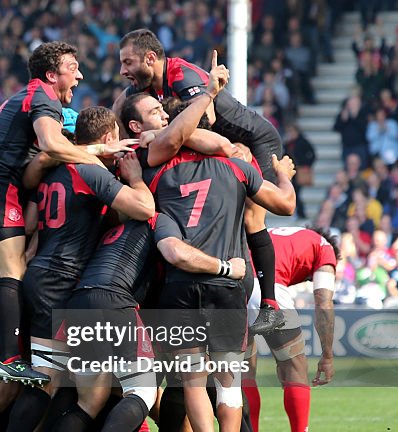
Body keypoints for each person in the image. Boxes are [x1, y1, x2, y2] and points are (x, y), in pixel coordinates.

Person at [117, 79, 297, 432]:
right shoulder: (236, 163)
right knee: (228, 377)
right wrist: (283, 176)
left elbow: (173, 138)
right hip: (228, 282)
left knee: (192, 379)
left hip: (179, 283)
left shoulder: (156, 168)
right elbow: (285, 205)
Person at [0, 41, 138, 398]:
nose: (79, 75)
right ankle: (12, 358)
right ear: (52, 74)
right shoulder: (43, 96)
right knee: (13, 271)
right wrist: (98, 158)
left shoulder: (20, 97)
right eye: (72, 68)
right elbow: (50, 144)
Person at [0, 106, 155, 432]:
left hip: (43, 275)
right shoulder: (88, 171)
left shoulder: (54, 170)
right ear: (109, 138)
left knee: (65, 384)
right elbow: (144, 208)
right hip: (58, 282)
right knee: (48, 381)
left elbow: (35, 179)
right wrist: (136, 178)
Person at [118, 29, 289, 336]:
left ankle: (271, 305)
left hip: (253, 140)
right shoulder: (142, 88)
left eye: (128, 62)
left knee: (251, 217)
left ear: (151, 58)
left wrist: (158, 134)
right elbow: (119, 112)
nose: (123, 70)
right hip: (220, 143)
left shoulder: (182, 75)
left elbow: (205, 119)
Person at [241, 226, 339, 432]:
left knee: (244, 373)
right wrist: (327, 355)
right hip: (267, 292)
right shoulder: (325, 249)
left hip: (235, 287)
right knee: (294, 367)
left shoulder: (285, 235)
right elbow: (323, 302)